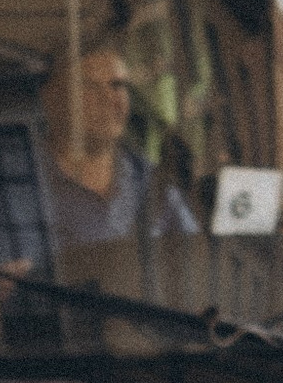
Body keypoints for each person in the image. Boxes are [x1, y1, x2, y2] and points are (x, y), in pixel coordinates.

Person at [42, 28, 199, 264]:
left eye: (118, 85)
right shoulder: (24, 179)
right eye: (92, 87)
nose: (111, 99)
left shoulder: (152, 184)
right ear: (54, 99)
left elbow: (195, 265)